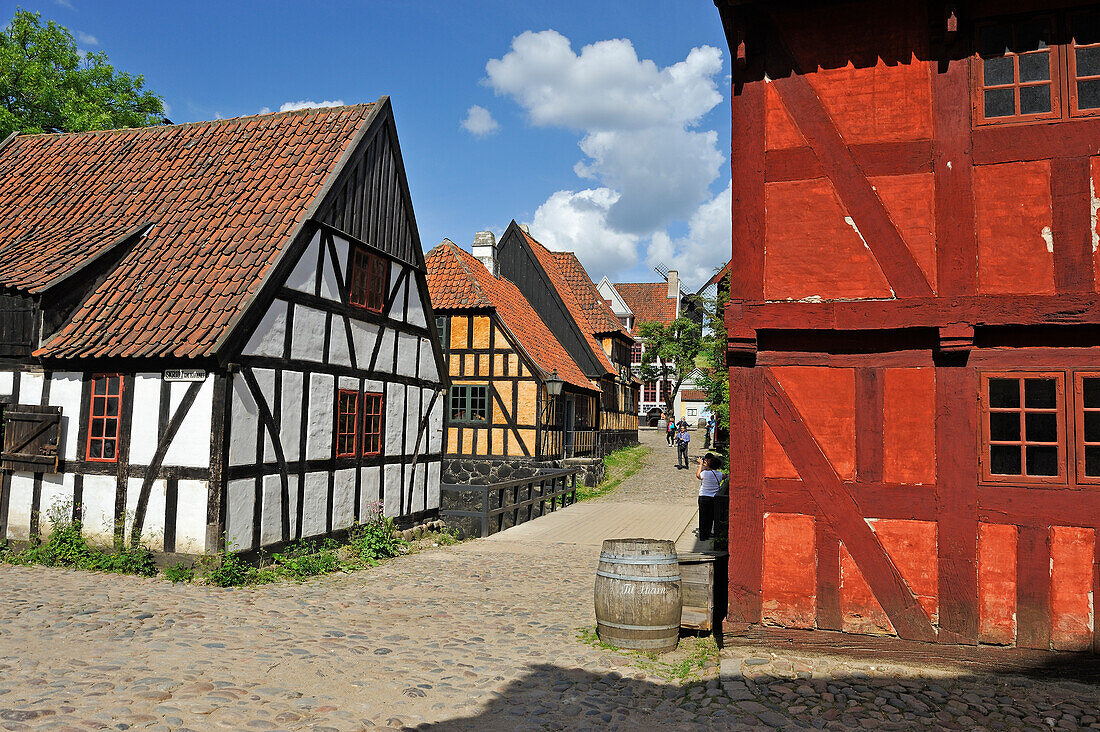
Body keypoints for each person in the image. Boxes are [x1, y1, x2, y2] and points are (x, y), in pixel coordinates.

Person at [696, 453, 724, 541]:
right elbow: (724, 476)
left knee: (703, 517)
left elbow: (698, 475)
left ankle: (703, 535)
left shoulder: (705, 473)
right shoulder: (719, 474)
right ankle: (708, 533)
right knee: (710, 517)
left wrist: (700, 465)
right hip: (713, 498)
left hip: (703, 496)